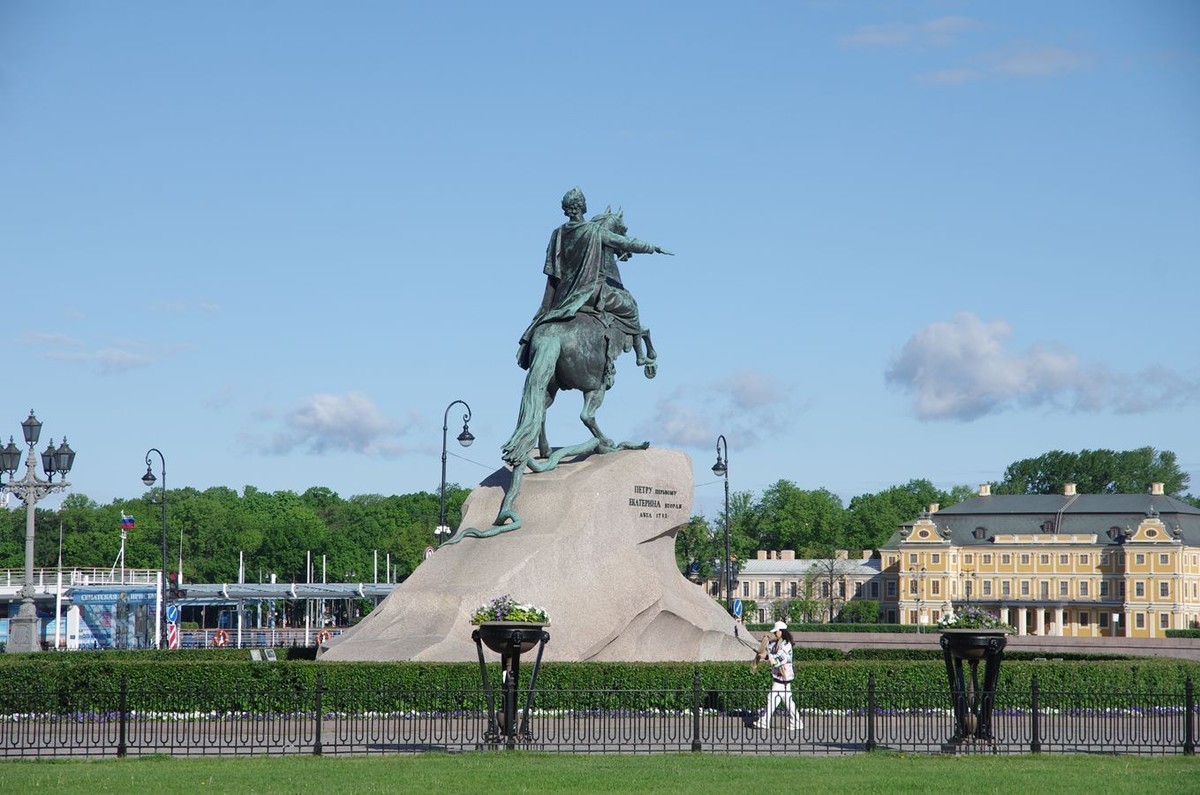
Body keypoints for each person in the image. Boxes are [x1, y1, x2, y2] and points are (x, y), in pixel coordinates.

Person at [517, 187, 670, 375]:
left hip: (563, 296)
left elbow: (553, 270)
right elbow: (625, 243)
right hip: (589, 292)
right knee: (630, 308)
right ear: (582, 206)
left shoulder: (557, 233)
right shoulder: (593, 231)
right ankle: (639, 356)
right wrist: (652, 248)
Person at [754, 620, 802, 731]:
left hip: (782, 678)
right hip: (782, 678)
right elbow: (769, 650)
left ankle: (764, 722)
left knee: (772, 699)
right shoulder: (777, 643)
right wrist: (765, 641)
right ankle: (796, 722)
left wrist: (766, 657)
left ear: (781, 631)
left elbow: (779, 659)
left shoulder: (786, 645)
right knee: (786, 702)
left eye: (776, 632)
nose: (775, 634)